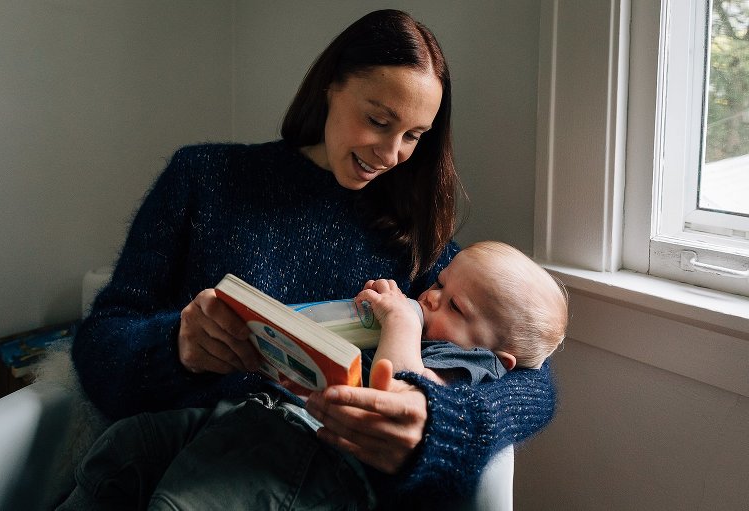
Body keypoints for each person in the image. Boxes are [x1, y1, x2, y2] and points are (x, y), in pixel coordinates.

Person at [68, 8, 556, 508]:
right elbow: (100, 340)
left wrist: (440, 422)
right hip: (172, 448)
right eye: (378, 121)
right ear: (331, 85)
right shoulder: (204, 178)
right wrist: (177, 346)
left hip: (293, 481)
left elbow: (531, 371)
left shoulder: (413, 236)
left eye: (413, 136)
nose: (391, 155)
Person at [358, 240, 568, 387]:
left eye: (455, 306)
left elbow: (399, 390)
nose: (432, 297)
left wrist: (400, 321)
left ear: (498, 359)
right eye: (439, 283)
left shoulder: (471, 363)